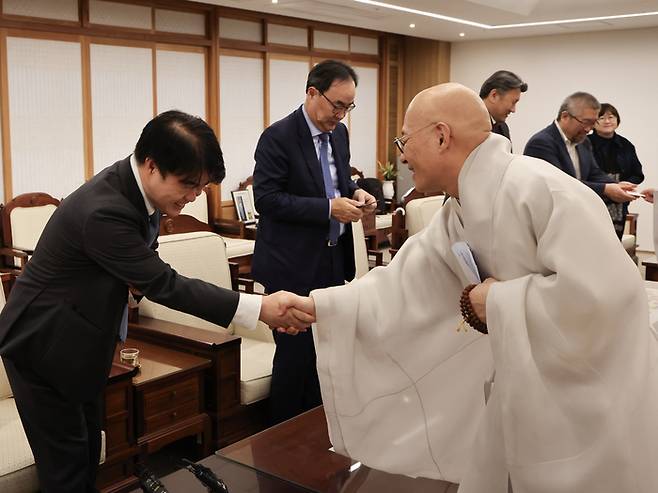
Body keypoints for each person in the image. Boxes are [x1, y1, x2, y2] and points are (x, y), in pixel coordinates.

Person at [294, 84, 658, 492]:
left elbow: (608, 299)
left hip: (587, 398)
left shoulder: (541, 189)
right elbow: (403, 281)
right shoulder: (459, 207)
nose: (401, 154)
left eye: (404, 140)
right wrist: (318, 306)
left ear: (441, 136)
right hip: (520, 386)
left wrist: (498, 300)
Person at [0, 110, 311, 493]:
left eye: (202, 188)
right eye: (188, 184)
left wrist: (132, 283)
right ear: (151, 166)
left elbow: (142, 268)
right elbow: (165, 283)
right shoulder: (104, 210)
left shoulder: (137, 191)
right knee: (66, 468)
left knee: (83, 455)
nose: (194, 196)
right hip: (44, 345)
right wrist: (259, 308)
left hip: (81, 337)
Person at [252, 60, 377, 424]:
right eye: (337, 105)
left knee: (326, 353)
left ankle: (315, 431)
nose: (341, 115)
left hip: (332, 259)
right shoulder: (278, 137)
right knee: (294, 357)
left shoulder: (339, 134)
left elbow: (336, 184)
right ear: (312, 93)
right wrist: (327, 209)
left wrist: (355, 194)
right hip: (291, 265)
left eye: (348, 107)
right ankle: (282, 441)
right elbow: (267, 200)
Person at [524, 92, 638, 206]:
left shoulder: (583, 141)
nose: (588, 129)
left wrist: (616, 185)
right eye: (585, 122)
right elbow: (560, 184)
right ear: (565, 116)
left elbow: (594, 173)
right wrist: (605, 189)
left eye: (593, 123)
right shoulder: (542, 143)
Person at [588, 103, 644, 238]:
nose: (607, 121)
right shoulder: (583, 143)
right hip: (591, 199)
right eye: (601, 118)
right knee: (590, 240)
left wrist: (626, 183)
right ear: (593, 123)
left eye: (611, 117)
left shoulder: (626, 145)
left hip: (619, 202)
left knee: (613, 242)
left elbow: (637, 174)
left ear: (617, 121)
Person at [479, 70, 527, 141]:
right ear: (494, 96)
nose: (513, 110)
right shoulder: (467, 125)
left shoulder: (502, 128)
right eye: (513, 102)